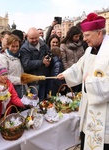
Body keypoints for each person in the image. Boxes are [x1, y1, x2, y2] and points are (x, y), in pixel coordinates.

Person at [57, 12, 109, 150]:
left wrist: (89, 82)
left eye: (87, 35)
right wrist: (66, 74)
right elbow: (79, 67)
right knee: (87, 139)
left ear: (99, 33)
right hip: (88, 109)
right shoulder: (89, 50)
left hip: (105, 115)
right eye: (83, 35)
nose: (83, 39)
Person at [20, 27, 51, 100]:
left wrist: (49, 59)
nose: (34, 40)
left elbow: (49, 52)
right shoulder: (24, 48)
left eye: (36, 38)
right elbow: (26, 64)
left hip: (43, 78)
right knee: (34, 102)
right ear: (27, 37)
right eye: (32, 38)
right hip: (33, 82)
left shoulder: (43, 44)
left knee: (42, 100)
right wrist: (41, 62)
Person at [0, 34, 26, 98]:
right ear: (7, 45)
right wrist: (20, 80)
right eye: (13, 46)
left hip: (20, 87)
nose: (15, 49)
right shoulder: (3, 58)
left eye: (17, 46)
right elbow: (3, 76)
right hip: (9, 88)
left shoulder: (19, 56)